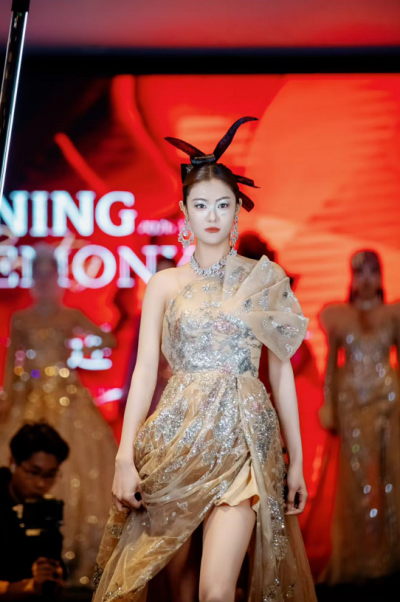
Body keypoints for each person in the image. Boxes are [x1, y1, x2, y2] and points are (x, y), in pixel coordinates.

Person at [93, 117, 316, 602]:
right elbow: (144, 373)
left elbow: (280, 373)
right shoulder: (164, 284)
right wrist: (124, 456)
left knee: (216, 591)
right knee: (164, 582)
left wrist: (296, 461)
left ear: (237, 210)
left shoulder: (264, 279)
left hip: (245, 440)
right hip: (178, 438)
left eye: (222, 204)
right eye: (200, 205)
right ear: (184, 212)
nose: (211, 215)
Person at [0, 244, 118, 586]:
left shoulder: (70, 316)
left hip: (67, 397)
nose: (43, 280)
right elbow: (11, 362)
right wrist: (7, 398)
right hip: (30, 396)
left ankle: (74, 554)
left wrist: (79, 355)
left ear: (56, 277)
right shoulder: (22, 319)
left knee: (79, 466)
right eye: (38, 274)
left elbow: (108, 340)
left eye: (48, 273)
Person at [318, 249, 400, 583]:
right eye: (360, 272)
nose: (366, 280)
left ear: (381, 276)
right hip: (351, 405)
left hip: (388, 404)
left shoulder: (393, 315)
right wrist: (329, 406)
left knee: (389, 476)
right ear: (352, 277)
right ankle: (355, 557)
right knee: (354, 482)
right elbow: (330, 367)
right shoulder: (339, 317)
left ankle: (389, 556)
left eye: (373, 272)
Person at [0, 422, 69, 599]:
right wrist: (23, 588)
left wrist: (54, 575)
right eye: (34, 472)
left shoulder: (45, 508)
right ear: (13, 462)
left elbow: (54, 561)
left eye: (50, 475)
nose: (41, 484)